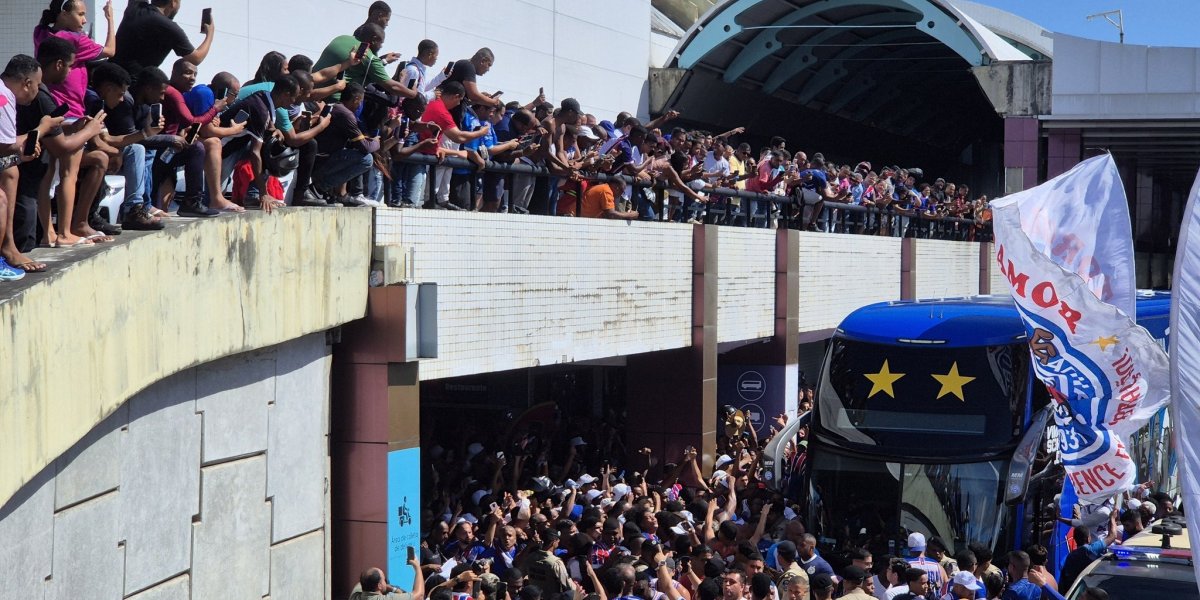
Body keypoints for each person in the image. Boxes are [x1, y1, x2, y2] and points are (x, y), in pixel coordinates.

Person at [34, 0, 116, 119]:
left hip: (47, 104)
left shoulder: (40, 32)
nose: (84, 20)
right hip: (70, 110)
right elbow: (110, 51)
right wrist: (110, 19)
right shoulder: (75, 40)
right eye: (80, 14)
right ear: (64, 14)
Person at [311, 82, 380, 206]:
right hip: (322, 162)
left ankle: (331, 191)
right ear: (356, 99)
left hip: (318, 159)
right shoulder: (346, 114)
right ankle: (320, 187)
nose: (360, 105)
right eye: (361, 101)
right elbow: (365, 147)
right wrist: (376, 142)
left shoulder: (335, 107)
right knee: (366, 159)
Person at [112, 0, 214, 75]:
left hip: (109, 72)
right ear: (173, 2)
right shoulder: (169, 27)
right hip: (130, 85)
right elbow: (196, 58)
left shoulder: (135, 7)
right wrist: (210, 34)